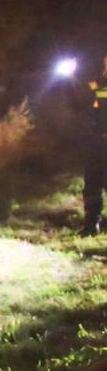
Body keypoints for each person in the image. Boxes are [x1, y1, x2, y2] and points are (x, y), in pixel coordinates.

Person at [81, 52, 107, 236]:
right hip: (96, 142)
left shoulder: (100, 85)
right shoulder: (97, 82)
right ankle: (91, 224)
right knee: (92, 184)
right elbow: (82, 101)